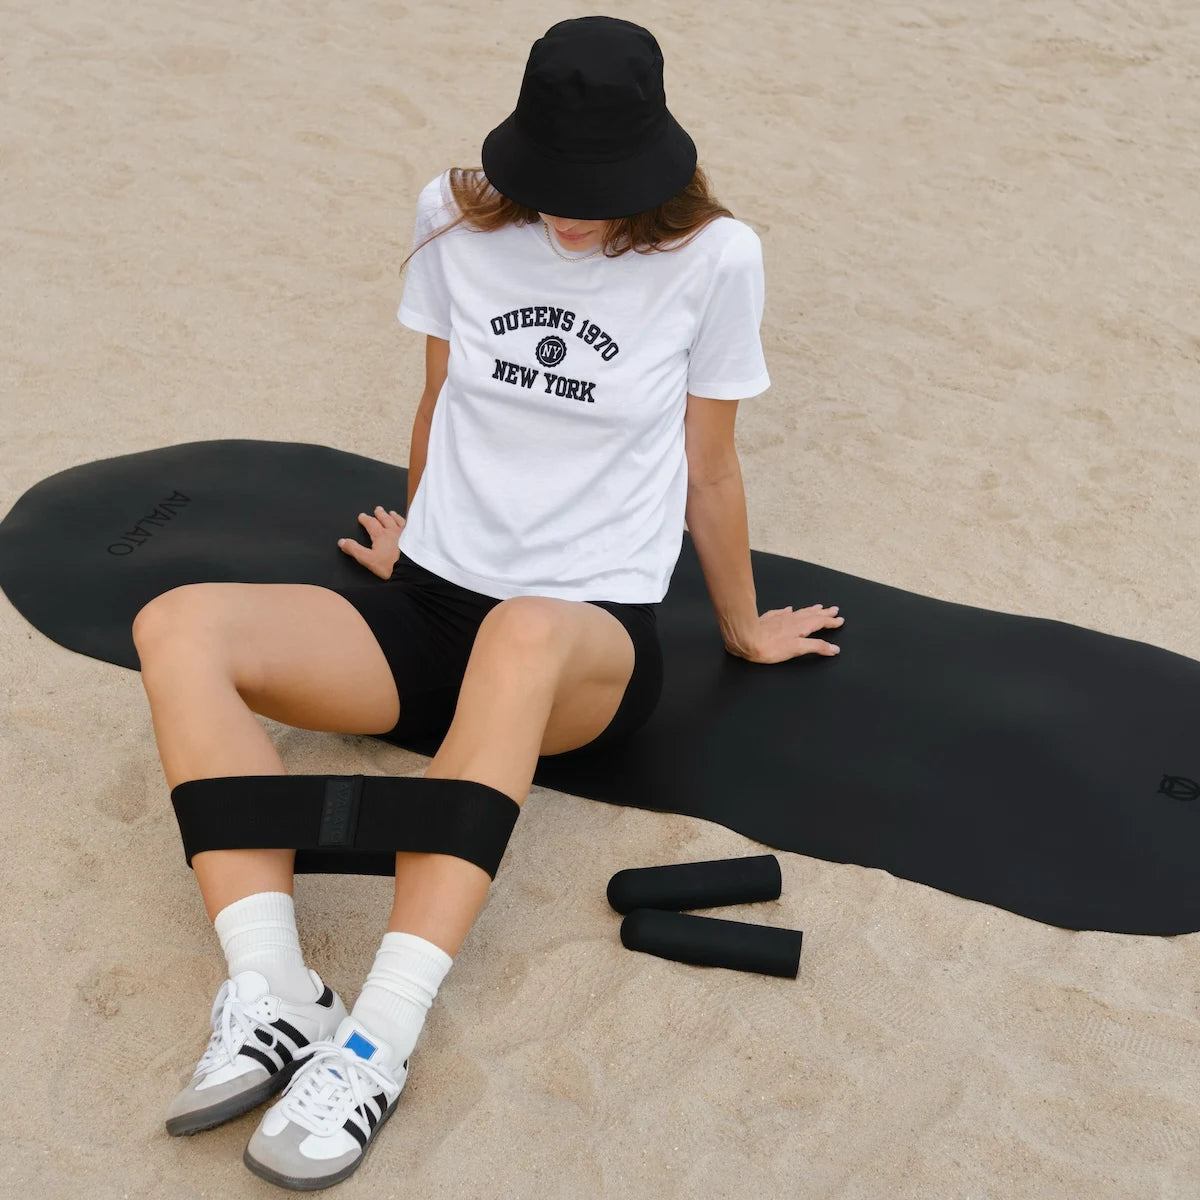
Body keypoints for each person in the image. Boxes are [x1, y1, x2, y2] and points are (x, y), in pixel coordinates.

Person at [132, 15, 844, 1191]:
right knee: (177, 623)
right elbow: (442, 399)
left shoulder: (717, 259)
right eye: (550, 184)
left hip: (583, 642)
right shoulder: (455, 216)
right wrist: (425, 530)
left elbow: (710, 467)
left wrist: (737, 624)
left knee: (520, 629)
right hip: (430, 606)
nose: (566, 212)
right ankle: (273, 990)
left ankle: (377, 1039)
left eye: (593, 192)